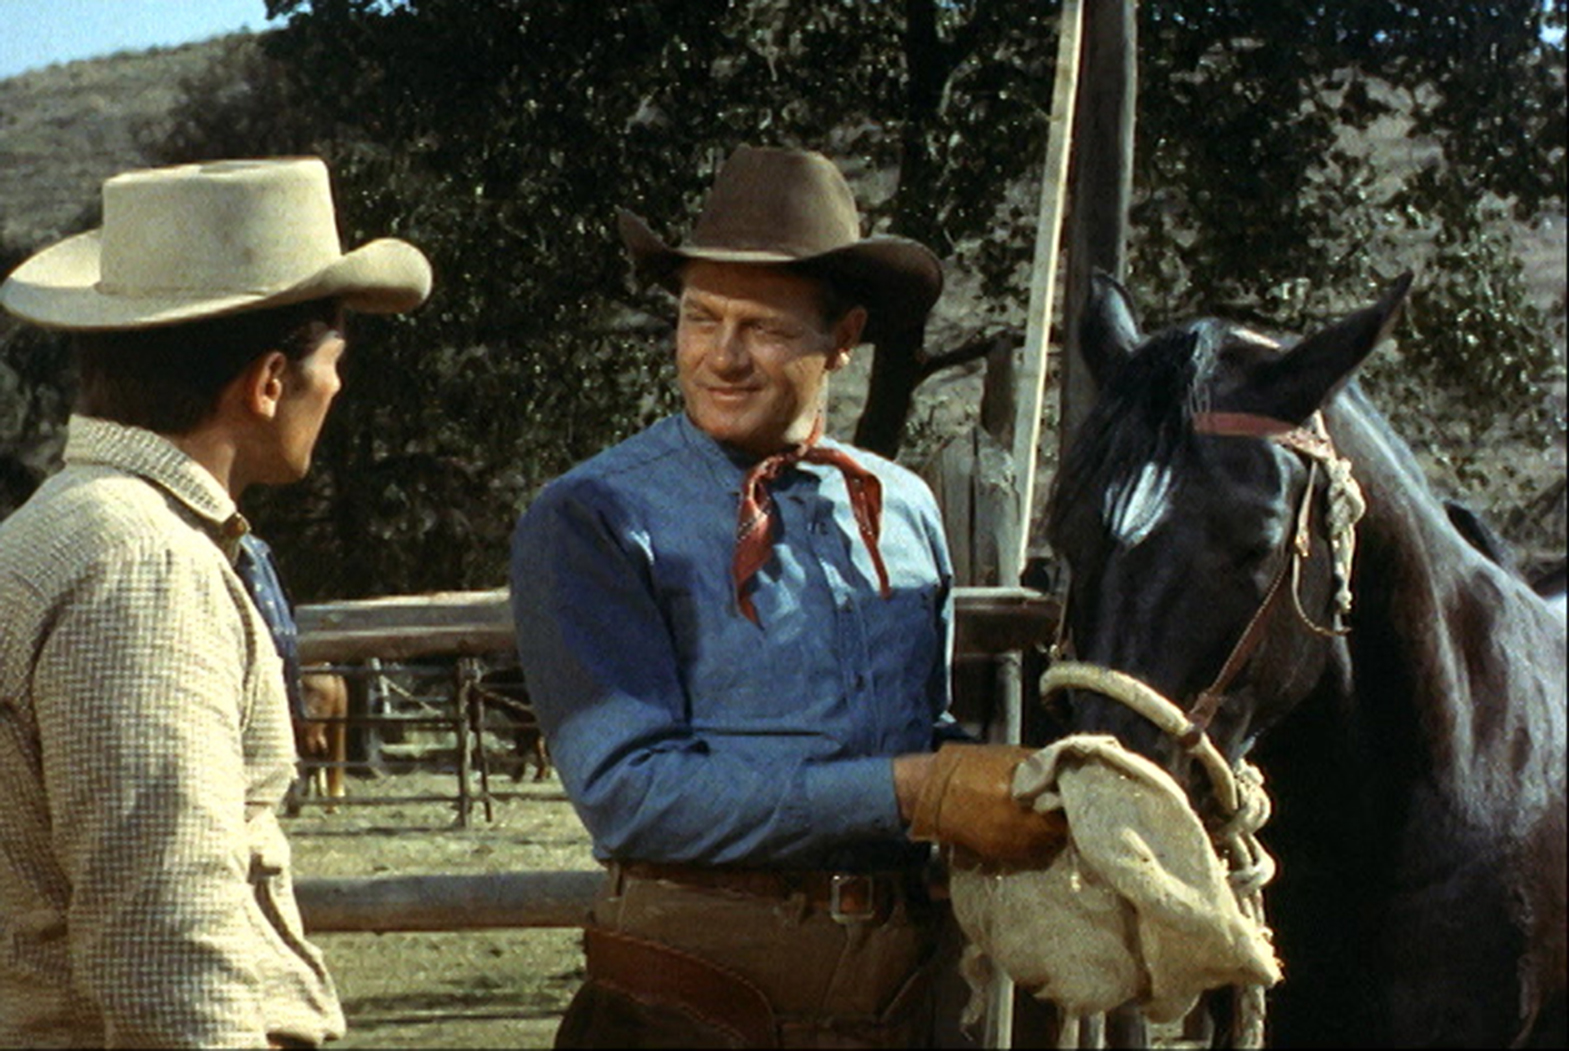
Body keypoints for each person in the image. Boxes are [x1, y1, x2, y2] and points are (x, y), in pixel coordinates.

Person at [510, 145, 1061, 1049]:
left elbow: (913, 735)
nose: (721, 357)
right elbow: (630, 794)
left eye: (762, 327)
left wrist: (1018, 785)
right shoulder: (597, 515)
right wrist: (916, 792)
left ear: (842, 338)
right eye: (699, 318)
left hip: (904, 1000)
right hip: (691, 1004)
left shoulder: (903, 507)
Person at [0, 157, 432, 1048]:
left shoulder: (63, 529)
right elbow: (167, 956)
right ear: (270, 381)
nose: (337, 389)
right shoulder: (145, 570)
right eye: (334, 362)